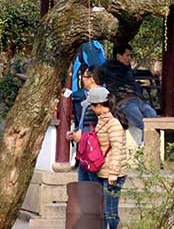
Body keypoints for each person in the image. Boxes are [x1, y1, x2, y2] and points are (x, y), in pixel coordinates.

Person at [68, 86, 128, 229]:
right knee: (101, 210)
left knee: (110, 211)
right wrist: (80, 138)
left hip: (112, 174)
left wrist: (113, 172)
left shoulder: (113, 123)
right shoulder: (102, 120)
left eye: (92, 106)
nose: (92, 109)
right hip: (103, 171)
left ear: (100, 105)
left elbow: (117, 148)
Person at [104, 44, 156, 143]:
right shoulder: (108, 68)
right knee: (140, 120)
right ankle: (145, 145)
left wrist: (150, 73)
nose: (129, 58)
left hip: (137, 99)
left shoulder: (126, 68)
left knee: (152, 115)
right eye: (127, 55)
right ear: (119, 56)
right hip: (124, 101)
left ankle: (148, 143)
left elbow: (135, 73)